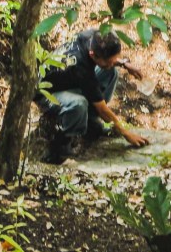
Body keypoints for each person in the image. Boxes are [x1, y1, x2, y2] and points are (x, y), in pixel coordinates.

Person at [35, 28, 150, 164]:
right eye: (108, 61)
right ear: (93, 55)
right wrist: (126, 133)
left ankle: (89, 120)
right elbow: (103, 109)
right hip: (47, 93)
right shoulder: (81, 67)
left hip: (69, 81)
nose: (112, 63)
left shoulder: (93, 37)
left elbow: (108, 61)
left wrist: (124, 63)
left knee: (111, 72)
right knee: (79, 103)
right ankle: (63, 144)